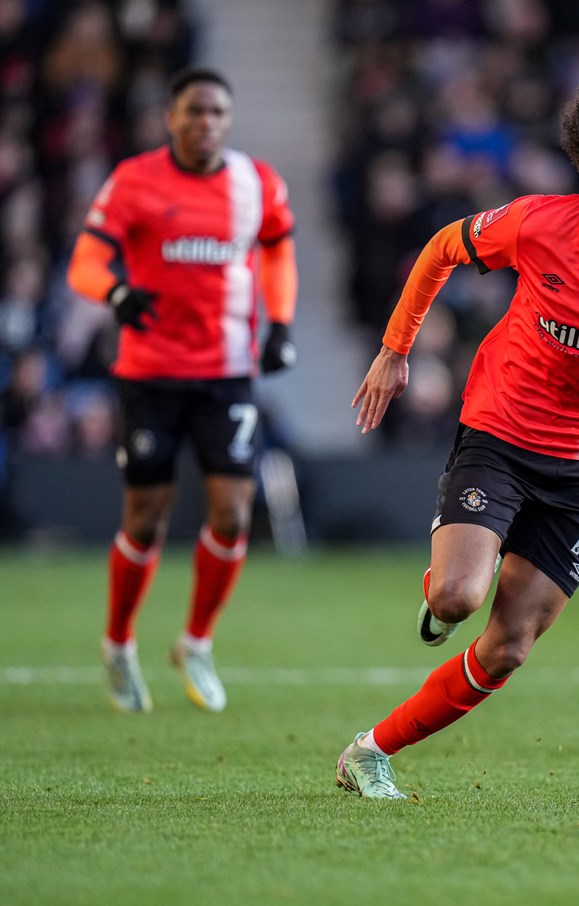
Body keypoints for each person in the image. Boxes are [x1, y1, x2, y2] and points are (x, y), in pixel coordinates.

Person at [334, 64, 579, 799]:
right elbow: (441, 249)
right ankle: (439, 586)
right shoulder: (539, 222)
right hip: (499, 433)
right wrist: (396, 350)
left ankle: (369, 752)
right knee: (458, 598)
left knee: (509, 645)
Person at [67, 68, 298, 714]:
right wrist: (115, 292)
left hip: (226, 372)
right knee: (145, 518)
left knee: (231, 512)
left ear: (229, 119)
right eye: (194, 111)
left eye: (218, 112)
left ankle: (196, 641)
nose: (206, 122)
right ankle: (118, 645)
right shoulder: (134, 181)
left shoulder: (258, 184)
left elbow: (278, 252)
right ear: (170, 117)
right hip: (149, 375)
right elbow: (85, 259)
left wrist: (279, 322)